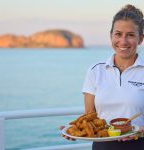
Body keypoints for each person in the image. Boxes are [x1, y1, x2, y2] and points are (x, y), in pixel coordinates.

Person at [61, 4, 144, 150]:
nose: (123, 41)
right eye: (118, 34)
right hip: (102, 146)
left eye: (130, 35)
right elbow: (89, 116)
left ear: (140, 39)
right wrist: (75, 131)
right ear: (111, 36)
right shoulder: (95, 71)